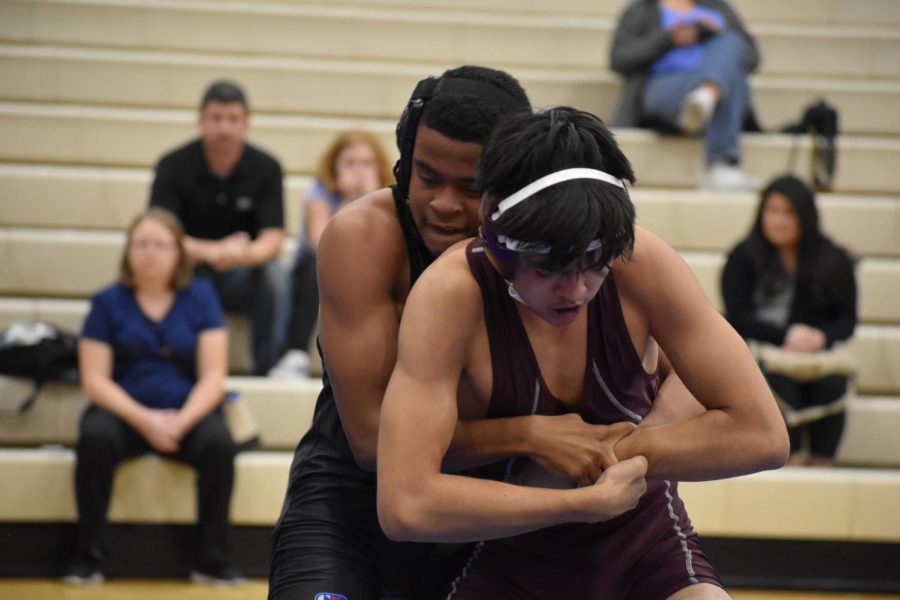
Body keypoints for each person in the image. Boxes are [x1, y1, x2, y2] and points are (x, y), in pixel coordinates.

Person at [377, 106, 789, 598]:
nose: (575, 289)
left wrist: (615, 452)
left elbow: (764, 436)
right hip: (509, 549)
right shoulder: (451, 294)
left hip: (642, 543)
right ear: (500, 247)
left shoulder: (641, 262)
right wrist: (574, 503)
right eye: (550, 269)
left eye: (593, 265)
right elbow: (405, 505)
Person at [63, 209, 242, 586]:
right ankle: (87, 555)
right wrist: (145, 420)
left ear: (178, 252)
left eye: (160, 244)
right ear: (128, 251)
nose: (149, 252)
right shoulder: (106, 302)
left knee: (218, 444)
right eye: (140, 243)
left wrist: (182, 420)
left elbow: (214, 376)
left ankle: (211, 560)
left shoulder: (201, 297)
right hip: (125, 414)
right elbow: (94, 380)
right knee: (95, 437)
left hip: (186, 413)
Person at [149, 79, 288, 376]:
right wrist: (213, 251)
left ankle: (269, 368)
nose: (224, 128)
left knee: (275, 277)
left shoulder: (267, 168)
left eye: (233, 119)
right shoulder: (172, 165)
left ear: (246, 123)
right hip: (187, 269)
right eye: (216, 118)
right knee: (159, 267)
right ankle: (174, 370)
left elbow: (273, 238)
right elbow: (159, 235)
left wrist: (241, 255)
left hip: (241, 271)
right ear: (201, 120)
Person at [721, 174, 857, 467]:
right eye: (772, 211)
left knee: (832, 386)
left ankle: (823, 469)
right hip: (766, 356)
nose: (779, 221)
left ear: (805, 216)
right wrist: (785, 337)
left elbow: (847, 320)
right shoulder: (743, 256)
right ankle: (788, 462)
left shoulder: (834, 259)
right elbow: (736, 316)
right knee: (779, 386)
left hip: (817, 357)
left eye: (789, 212)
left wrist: (820, 337)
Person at [269, 130, 393, 378]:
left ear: (378, 167)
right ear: (334, 166)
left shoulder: (390, 194)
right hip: (322, 271)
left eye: (366, 163)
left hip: (370, 268)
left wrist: (369, 197)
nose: (358, 170)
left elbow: (389, 242)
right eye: (350, 163)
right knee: (315, 265)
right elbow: (322, 243)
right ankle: (295, 354)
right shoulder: (320, 193)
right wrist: (352, 200)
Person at [609, 0, 761, 191]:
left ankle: (706, 94)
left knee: (732, 43)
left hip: (717, 87)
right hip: (665, 86)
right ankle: (720, 161)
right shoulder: (642, 9)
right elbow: (619, 58)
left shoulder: (719, 8)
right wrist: (668, 39)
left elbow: (752, 57)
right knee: (729, 75)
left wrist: (718, 35)